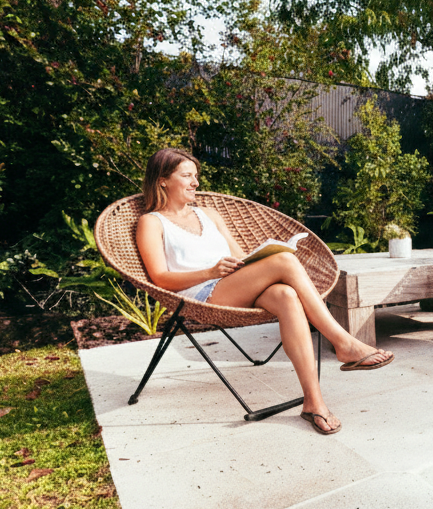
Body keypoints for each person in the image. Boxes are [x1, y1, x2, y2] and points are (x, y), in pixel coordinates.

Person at [135, 147, 393, 435]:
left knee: (286, 295)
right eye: (187, 176)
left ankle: (313, 403)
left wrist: (253, 262)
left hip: (232, 283)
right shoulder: (151, 222)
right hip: (201, 292)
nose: (196, 183)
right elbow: (159, 278)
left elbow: (240, 256)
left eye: (196, 176)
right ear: (162, 180)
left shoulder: (209, 214)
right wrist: (210, 272)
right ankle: (343, 343)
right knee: (285, 261)